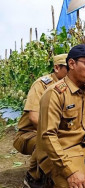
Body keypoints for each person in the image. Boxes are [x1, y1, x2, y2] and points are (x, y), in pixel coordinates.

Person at [36, 44, 85, 188]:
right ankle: (46, 177)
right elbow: (48, 136)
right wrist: (69, 172)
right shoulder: (55, 94)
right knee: (77, 183)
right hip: (61, 153)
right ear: (71, 64)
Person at [13, 54, 68, 185]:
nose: (72, 71)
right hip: (28, 134)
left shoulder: (70, 86)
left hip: (52, 131)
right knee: (47, 141)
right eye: (68, 68)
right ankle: (32, 177)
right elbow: (33, 118)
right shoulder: (41, 85)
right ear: (56, 68)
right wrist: (56, 134)